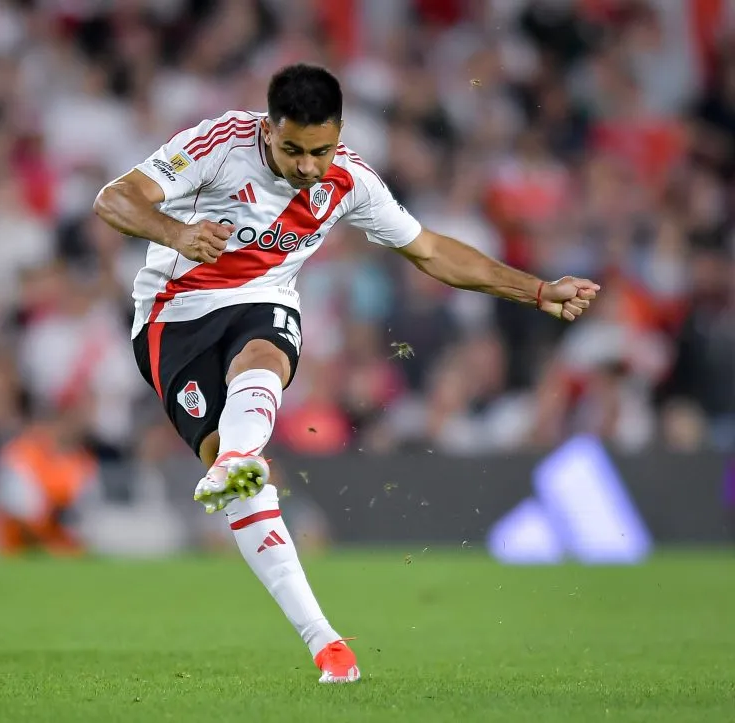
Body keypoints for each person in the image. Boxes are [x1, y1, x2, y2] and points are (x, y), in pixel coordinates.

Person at [93, 64, 599, 684]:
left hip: (263, 303)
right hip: (174, 320)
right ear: (268, 129)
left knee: (264, 351)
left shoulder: (351, 180)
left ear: (340, 134)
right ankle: (260, 509)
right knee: (242, 488)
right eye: (293, 150)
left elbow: (432, 251)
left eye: (321, 150)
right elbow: (114, 198)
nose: (308, 167)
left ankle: (327, 644)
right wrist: (176, 230)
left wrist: (538, 289)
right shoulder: (219, 144)